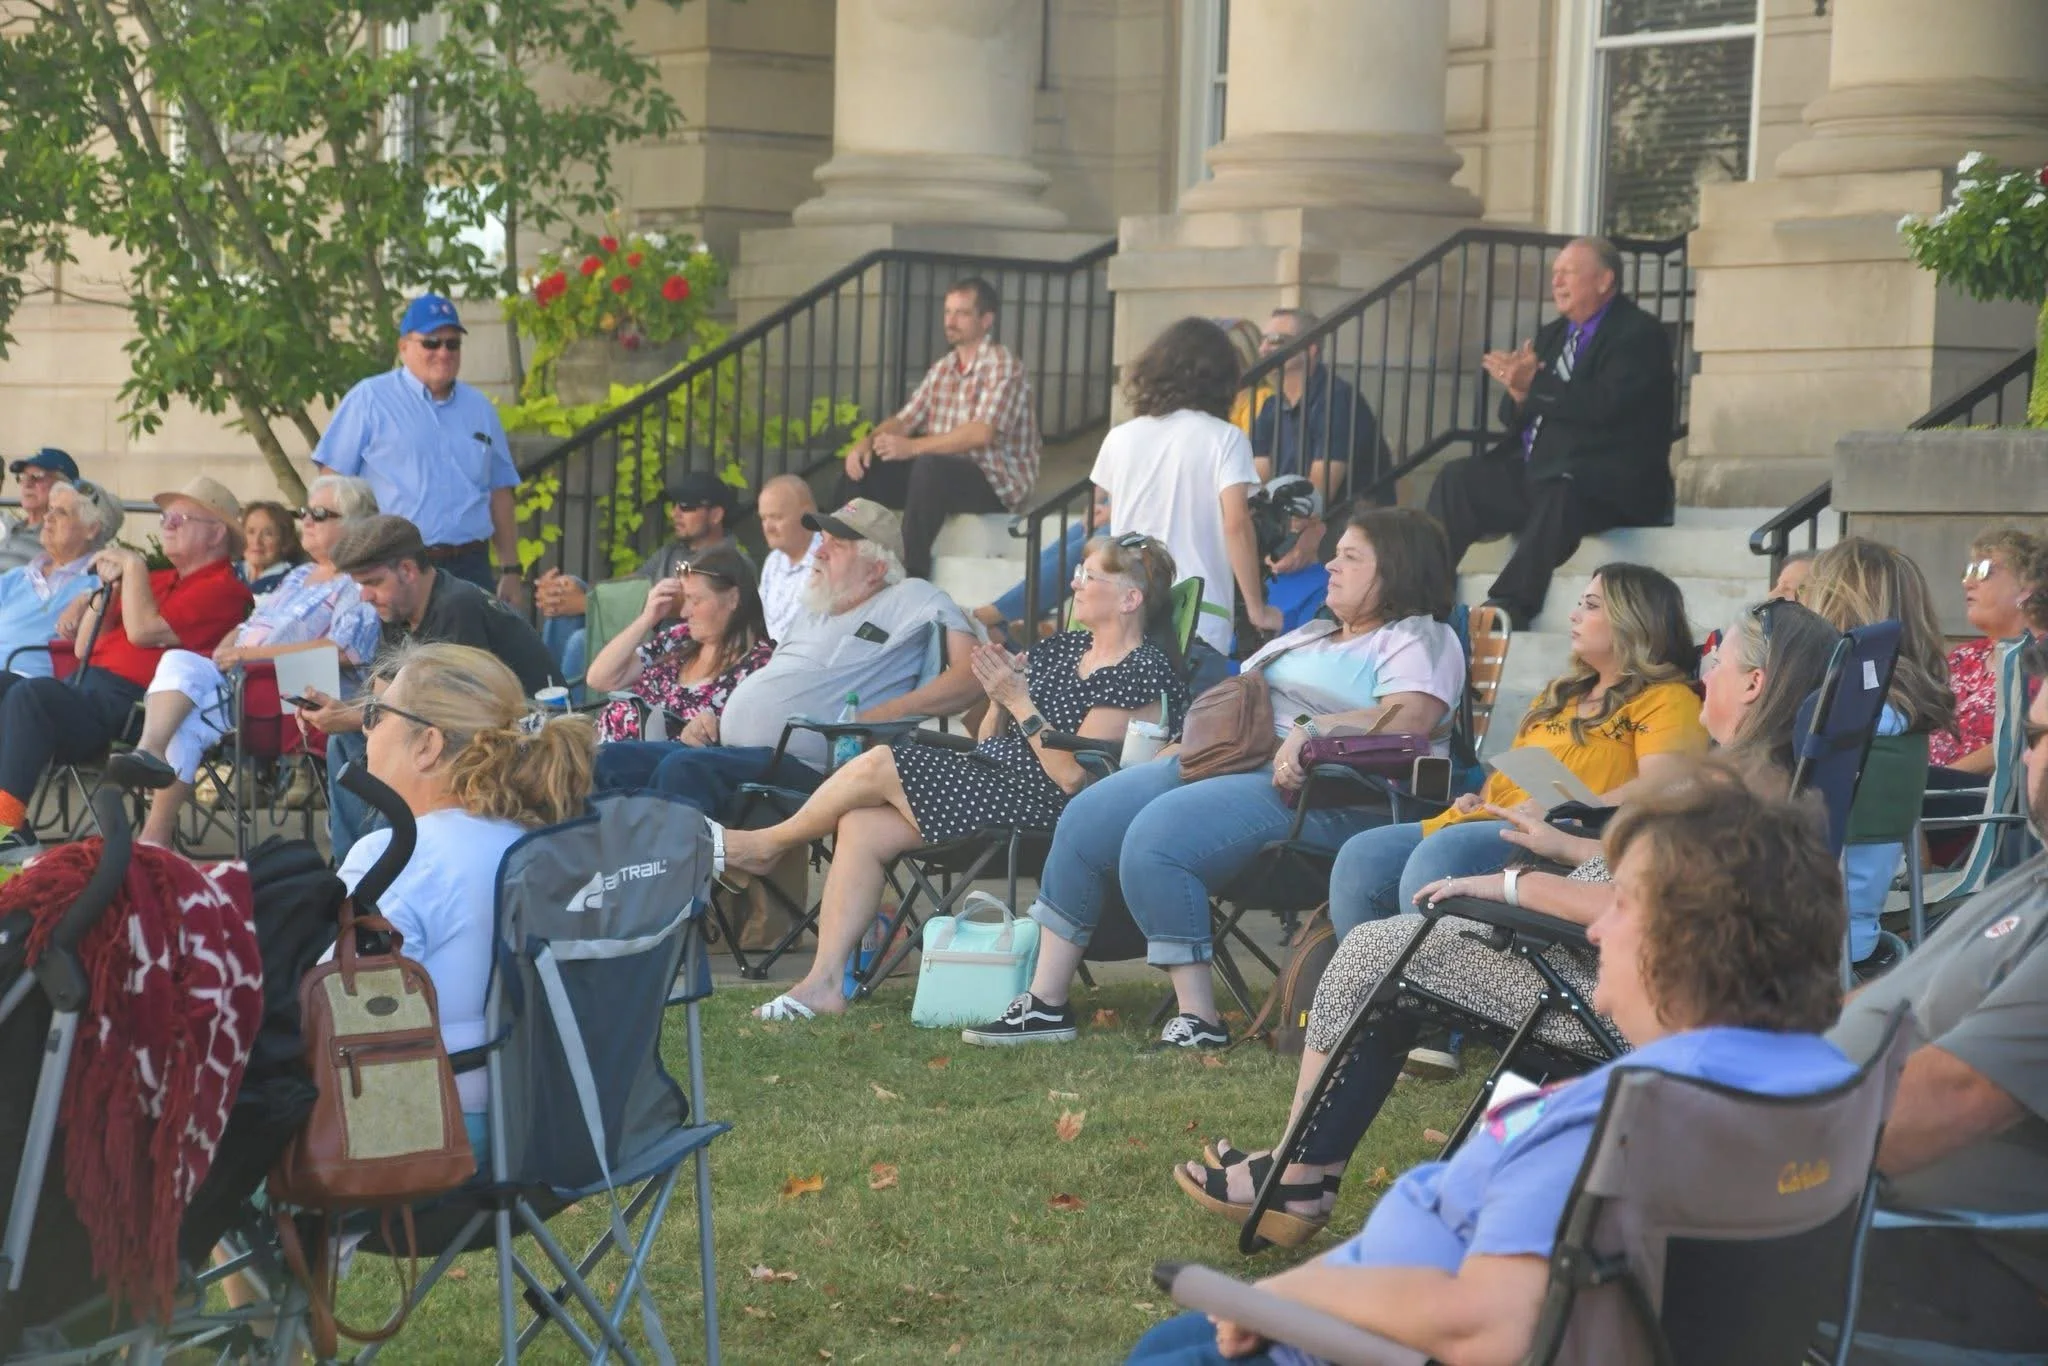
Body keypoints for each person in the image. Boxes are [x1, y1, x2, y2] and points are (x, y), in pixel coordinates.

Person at [1126, 762, 1856, 1366]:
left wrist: (1286, 1302)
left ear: (1686, 942)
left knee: (1170, 1351)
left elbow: (1489, 1327)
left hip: (1361, 1342)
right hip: (1370, 1310)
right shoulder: (1819, 1082)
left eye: (1622, 906)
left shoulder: (1616, 1124)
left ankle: (1294, 1181)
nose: (1598, 925)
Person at [1172, 600, 1842, 1246]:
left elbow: (1640, 908)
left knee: (1378, 953)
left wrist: (1511, 884)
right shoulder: (1759, 783)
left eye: (1721, 659)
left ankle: (1297, 1174)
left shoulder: (1734, 796)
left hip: (1596, 990)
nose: (1708, 669)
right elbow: (1645, 880)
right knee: (1401, 957)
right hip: (1587, 963)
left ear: (1755, 684)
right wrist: (1566, 849)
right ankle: (1301, 1168)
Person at [963, 508, 1466, 1051]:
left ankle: (1198, 1018)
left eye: (1350, 556)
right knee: (1092, 811)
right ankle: (1045, 1003)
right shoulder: (1312, 635)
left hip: (1326, 793)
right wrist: (1174, 749)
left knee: (1161, 831)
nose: (1330, 566)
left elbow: (1409, 720)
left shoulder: (1418, 639)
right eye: (1335, 552)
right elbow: (1233, 705)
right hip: (1229, 762)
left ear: (1396, 568)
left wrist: (1311, 730)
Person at [729, 535, 1187, 1022]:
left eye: (1088, 576)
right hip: (996, 778)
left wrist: (1018, 701)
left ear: (1129, 598)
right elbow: (990, 738)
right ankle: (822, 985)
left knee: (883, 760)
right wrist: (995, 699)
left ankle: (767, 845)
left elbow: (1076, 779)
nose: (1074, 583)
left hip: (1051, 809)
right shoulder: (1064, 648)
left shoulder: (1141, 671)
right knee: (862, 824)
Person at [1826, 634, 2048, 1356]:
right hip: (1861, 1208)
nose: (2025, 754)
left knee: (1571, 1266)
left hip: (1934, 1258)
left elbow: (1957, 1096)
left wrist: (1750, 1146)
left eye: (2042, 738)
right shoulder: (2034, 880)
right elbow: (1887, 1000)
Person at [1327, 564, 1705, 940]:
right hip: (1493, 820)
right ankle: (1373, 990)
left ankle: (1430, 990)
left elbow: (1663, 787)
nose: (1573, 615)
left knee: (1441, 855)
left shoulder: (1667, 700)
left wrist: (1567, 810)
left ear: (1633, 619)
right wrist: (1484, 796)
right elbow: (1520, 767)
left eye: (1590, 605)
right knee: (1362, 854)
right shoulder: (1561, 693)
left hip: (1560, 835)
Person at [336, 642, 594, 1152]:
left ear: (427, 744)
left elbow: (325, 1011)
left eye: (376, 714)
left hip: (424, 1139)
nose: (365, 730)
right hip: (559, 1129)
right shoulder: (542, 844)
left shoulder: (394, 857)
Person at [591, 499, 981, 819]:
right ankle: (607, 892)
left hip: (812, 767)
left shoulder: (911, 597)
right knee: (608, 761)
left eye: (837, 545)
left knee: (682, 771)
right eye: (822, 539)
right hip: (730, 748)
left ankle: (668, 902)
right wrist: (717, 718)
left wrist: (884, 713)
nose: (820, 551)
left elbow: (973, 677)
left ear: (877, 568)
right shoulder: (815, 610)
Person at [1425, 237, 1677, 630]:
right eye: (1554, 274)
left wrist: (1537, 384)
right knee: (1458, 478)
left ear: (1604, 280)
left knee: (1563, 485)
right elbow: (1515, 416)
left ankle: (1509, 604)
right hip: (1538, 470)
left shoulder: (1638, 334)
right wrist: (1520, 391)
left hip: (1608, 481)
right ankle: (1422, 594)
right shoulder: (1553, 334)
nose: (1556, 282)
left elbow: (1605, 407)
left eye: (1568, 273)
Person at [0, 477, 251, 862]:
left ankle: (7, 826)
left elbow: (146, 632)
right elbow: (84, 646)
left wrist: (131, 567)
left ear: (216, 533)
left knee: (32, 695)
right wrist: (94, 598)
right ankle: (14, 828)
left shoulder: (224, 589)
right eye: (165, 517)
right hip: (86, 691)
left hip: (137, 709)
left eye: (179, 518)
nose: (166, 524)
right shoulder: (159, 579)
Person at [127, 475, 382, 848]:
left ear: (355, 525)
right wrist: (227, 650)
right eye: (305, 512)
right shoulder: (298, 575)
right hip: (246, 682)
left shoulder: (357, 580)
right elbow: (249, 627)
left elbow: (342, 651)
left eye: (320, 513)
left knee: (187, 700)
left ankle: (151, 789)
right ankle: (153, 819)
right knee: (181, 678)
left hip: (301, 692)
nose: (306, 520)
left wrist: (248, 656)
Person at [304, 514, 558, 862]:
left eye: (373, 582)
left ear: (408, 570)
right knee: (344, 742)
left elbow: (440, 715)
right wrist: (342, 714)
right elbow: (385, 693)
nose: (364, 596)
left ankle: (386, 865)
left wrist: (348, 717)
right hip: (457, 728)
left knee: (405, 747)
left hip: (524, 734)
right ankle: (354, 867)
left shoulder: (456, 607)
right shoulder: (399, 607)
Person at [1090, 317, 1280, 672]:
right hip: (1200, 615)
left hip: (1127, 609)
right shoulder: (1226, 438)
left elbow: (1108, 510)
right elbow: (1236, 523)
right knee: (1190, 725)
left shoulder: (1121, 436)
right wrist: (1256, 609)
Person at [1800, 537, 1955, 966]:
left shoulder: (1837, 718)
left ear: (1829, 603)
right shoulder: (1901, 711)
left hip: (1789, 940)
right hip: (1856, 933)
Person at [311, 292, 522, 603]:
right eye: (432, 343)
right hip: (395, 564)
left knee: (471, 652)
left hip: (471, 565)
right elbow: (332, 484)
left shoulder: (480, 408)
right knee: (405, 652)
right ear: (404, 347)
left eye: (453, 343)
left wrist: (511, 569)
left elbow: (500, 492)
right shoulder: (369, 398)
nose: (444, 352)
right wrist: (336, 562)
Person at [837, 277, 1040, 580]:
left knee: (929, 466)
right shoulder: (944, 367)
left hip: (994, 483)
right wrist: (867, 442)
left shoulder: (1002, 364)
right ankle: (840, 556)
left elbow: (981, 433)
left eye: (961, 313)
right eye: (947, 312)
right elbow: (906, 420)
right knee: (862, 469)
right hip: (938, 476)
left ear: (986, 319)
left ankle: (909, 573)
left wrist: (913, 448)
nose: (950, 320)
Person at [534, 469, 747, 680]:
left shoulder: (727, 560)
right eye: (674, 505)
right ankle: (545, 693)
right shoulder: (672, 551)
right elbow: (630, 583)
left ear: (716, 515)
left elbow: (680, 605)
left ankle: (569, 710)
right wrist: (571, 592)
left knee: (581, 642)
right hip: (641, 628)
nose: (675, 513)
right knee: (569, 584)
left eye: (686, 506)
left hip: (677, 646)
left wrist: (587, 603)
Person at [586, 546, 773, 745]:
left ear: (733, 598)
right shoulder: (678, 639)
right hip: (600, 752)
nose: (684, 612)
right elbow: (600, 678)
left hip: (646, 768)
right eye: (685, 599)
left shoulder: (758, 668)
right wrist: (648, 618)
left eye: (695, 600)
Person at [1246, 308, 1378, 509]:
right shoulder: (1271, 406)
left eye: (1274, 340)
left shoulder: (1337, 399)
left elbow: (1317, 494)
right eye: (1261, 340)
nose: (1263, 349)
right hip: (1292, 521)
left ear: (1310, 348)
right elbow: (1256, 479)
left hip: (1342, 526)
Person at [1930, 528, 2038, 773]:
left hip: (1975, 802)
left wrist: (1939, 781)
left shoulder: (2041, 661)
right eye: (1968, 572)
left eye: (1984, 571)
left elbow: (2021, 743)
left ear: (2027, 587)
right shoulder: (1962, 657)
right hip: (1925, 794)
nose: (1967, 583)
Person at [0, 479, 123, 677]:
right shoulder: (16, 578)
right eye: (50, 509)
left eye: (61, 513)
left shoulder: (101, 582)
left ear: (91, 529)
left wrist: (88, 597)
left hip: (29, 683)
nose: (48, 518)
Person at [755, 473, 820, 643]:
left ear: (806, 515)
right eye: (763, 518)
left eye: (776, 517)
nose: (768, 527)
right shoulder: (773, 561)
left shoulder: (830, 557)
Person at [0, 448, 80, 575]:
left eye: (37, 477)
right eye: (23, 477)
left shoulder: (60, 537)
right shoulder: (9, 526)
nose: (26, 484)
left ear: (64, 486)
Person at [239, 500, 305, 599]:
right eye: (251, 532)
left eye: (268, 534)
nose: (257, 541)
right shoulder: (229, 573)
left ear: (285, 541)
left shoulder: (294, 580)